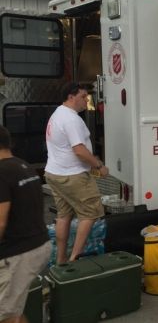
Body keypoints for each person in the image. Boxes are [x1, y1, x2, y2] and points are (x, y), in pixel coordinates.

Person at [44, 82, 107, 264]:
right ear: (71, 97)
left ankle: (61, 259)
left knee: (64, 216)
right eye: (82, 97)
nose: (86, 100)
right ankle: (74, 260)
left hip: (54, 173)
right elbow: (79, 150)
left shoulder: (57, 115)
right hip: (72, 175)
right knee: (91, 213)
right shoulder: (71, 119)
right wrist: (98, 165)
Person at [0, 125, 52, 323]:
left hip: (19, 254)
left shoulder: (2, 172)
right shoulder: (23, 165)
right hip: (38, 245)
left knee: (5, 316)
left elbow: (0, 222)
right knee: (13, 312)